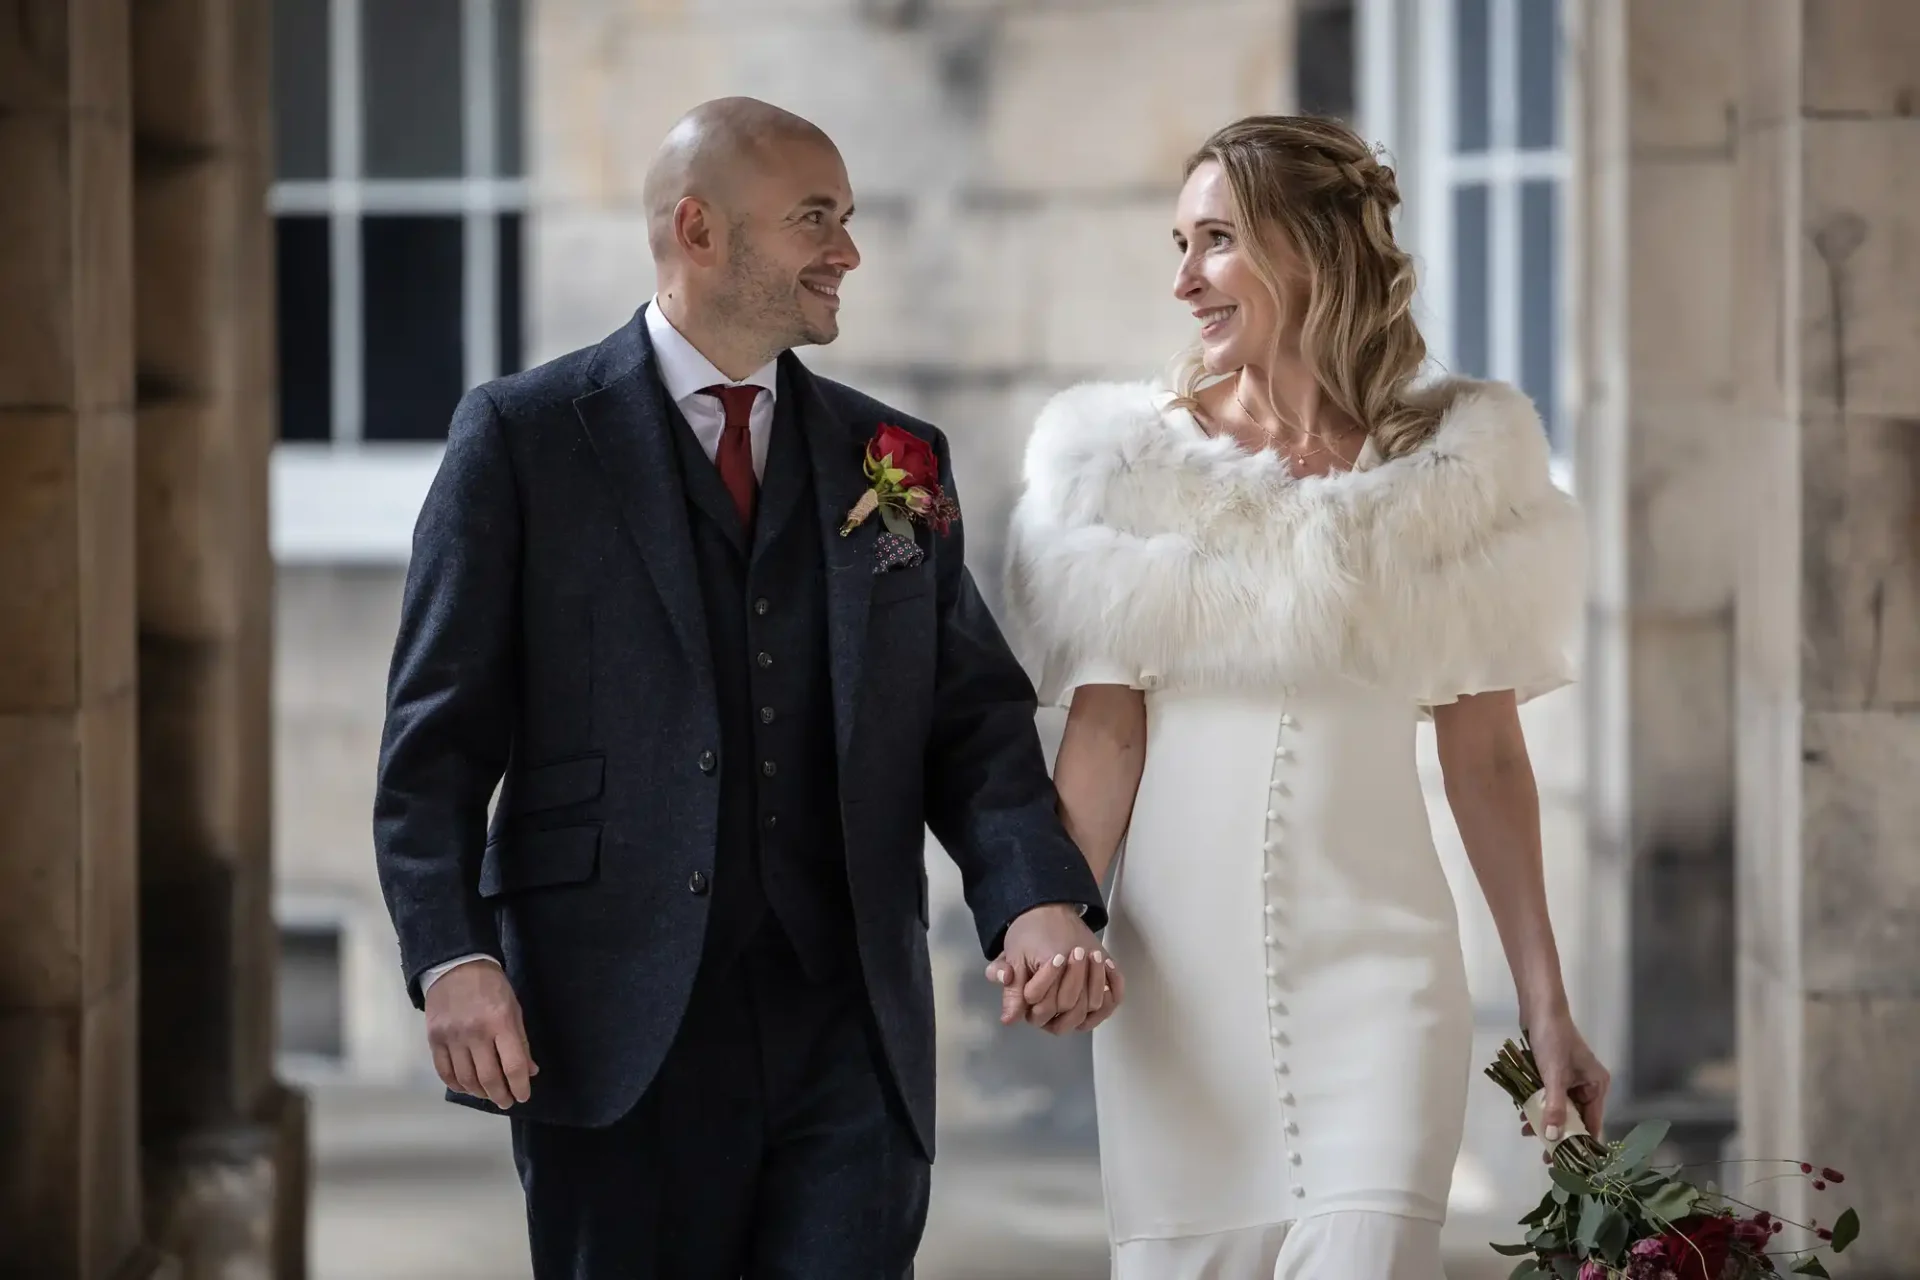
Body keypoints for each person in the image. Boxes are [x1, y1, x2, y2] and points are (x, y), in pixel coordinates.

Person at [372, 96, 1121, 1279]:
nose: (848, 251)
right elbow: (435, 741)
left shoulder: (894, 458)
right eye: (814, 218)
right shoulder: (520, 438)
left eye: (849, 217)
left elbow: (968, 719)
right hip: (608, 1019)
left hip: (850, 1033)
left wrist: (1034, 896)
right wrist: (451, 957)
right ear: (699, 230)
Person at [996, 114, 1608, 1278]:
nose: (1183, 280)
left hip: (1386, 976)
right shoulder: (1127, 469)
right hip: (1182, 993)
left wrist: (1546, 1005)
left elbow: (1485, 759)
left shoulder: (1455, 476)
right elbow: (1108, 731)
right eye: (1178, 243)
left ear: (1313, 249)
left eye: (1216, 241)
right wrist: (1053, 916)